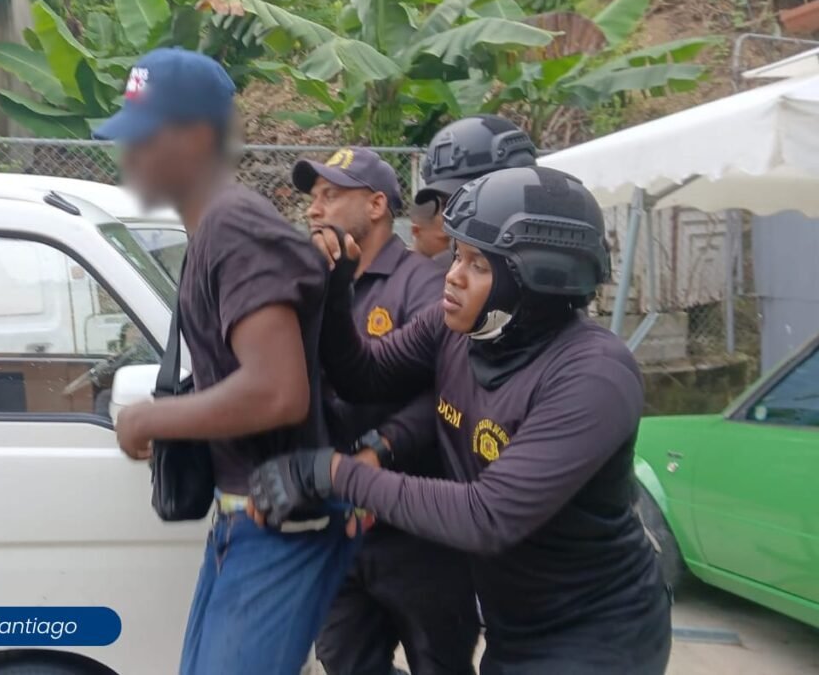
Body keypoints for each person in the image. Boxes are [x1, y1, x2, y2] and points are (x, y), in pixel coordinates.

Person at [249, 166, 672, 674]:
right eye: (457, 255)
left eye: (478, 264)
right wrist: (336, 294)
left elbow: (488, 516)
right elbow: (364, 376)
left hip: (598, 631)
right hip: (514, 623)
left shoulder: (592, 375)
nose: (452, 275)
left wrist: (334, 472)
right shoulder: (458, 329)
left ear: (537, 277)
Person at [96, 48, 358, 675]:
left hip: (282, 527)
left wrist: (150, 419)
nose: (128, 155)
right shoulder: (212, 228)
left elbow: (277, 391)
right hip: (246, 520)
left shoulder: (233, 227)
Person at [291, 147, 480, 675]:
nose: (314, 209)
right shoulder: (316, 283)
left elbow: (447, 391)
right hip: (341, 524)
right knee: (343, 658)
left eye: (331, 195)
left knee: (439, 661)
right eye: (313, 197)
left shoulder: (426, 285)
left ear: (376, 205)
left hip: (417, 530)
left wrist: (380, 449)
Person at [410, 116, 537, 271]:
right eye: (446, 205)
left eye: (468, 204)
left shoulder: (546, 262)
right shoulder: (443, 269)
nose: (455, 217)